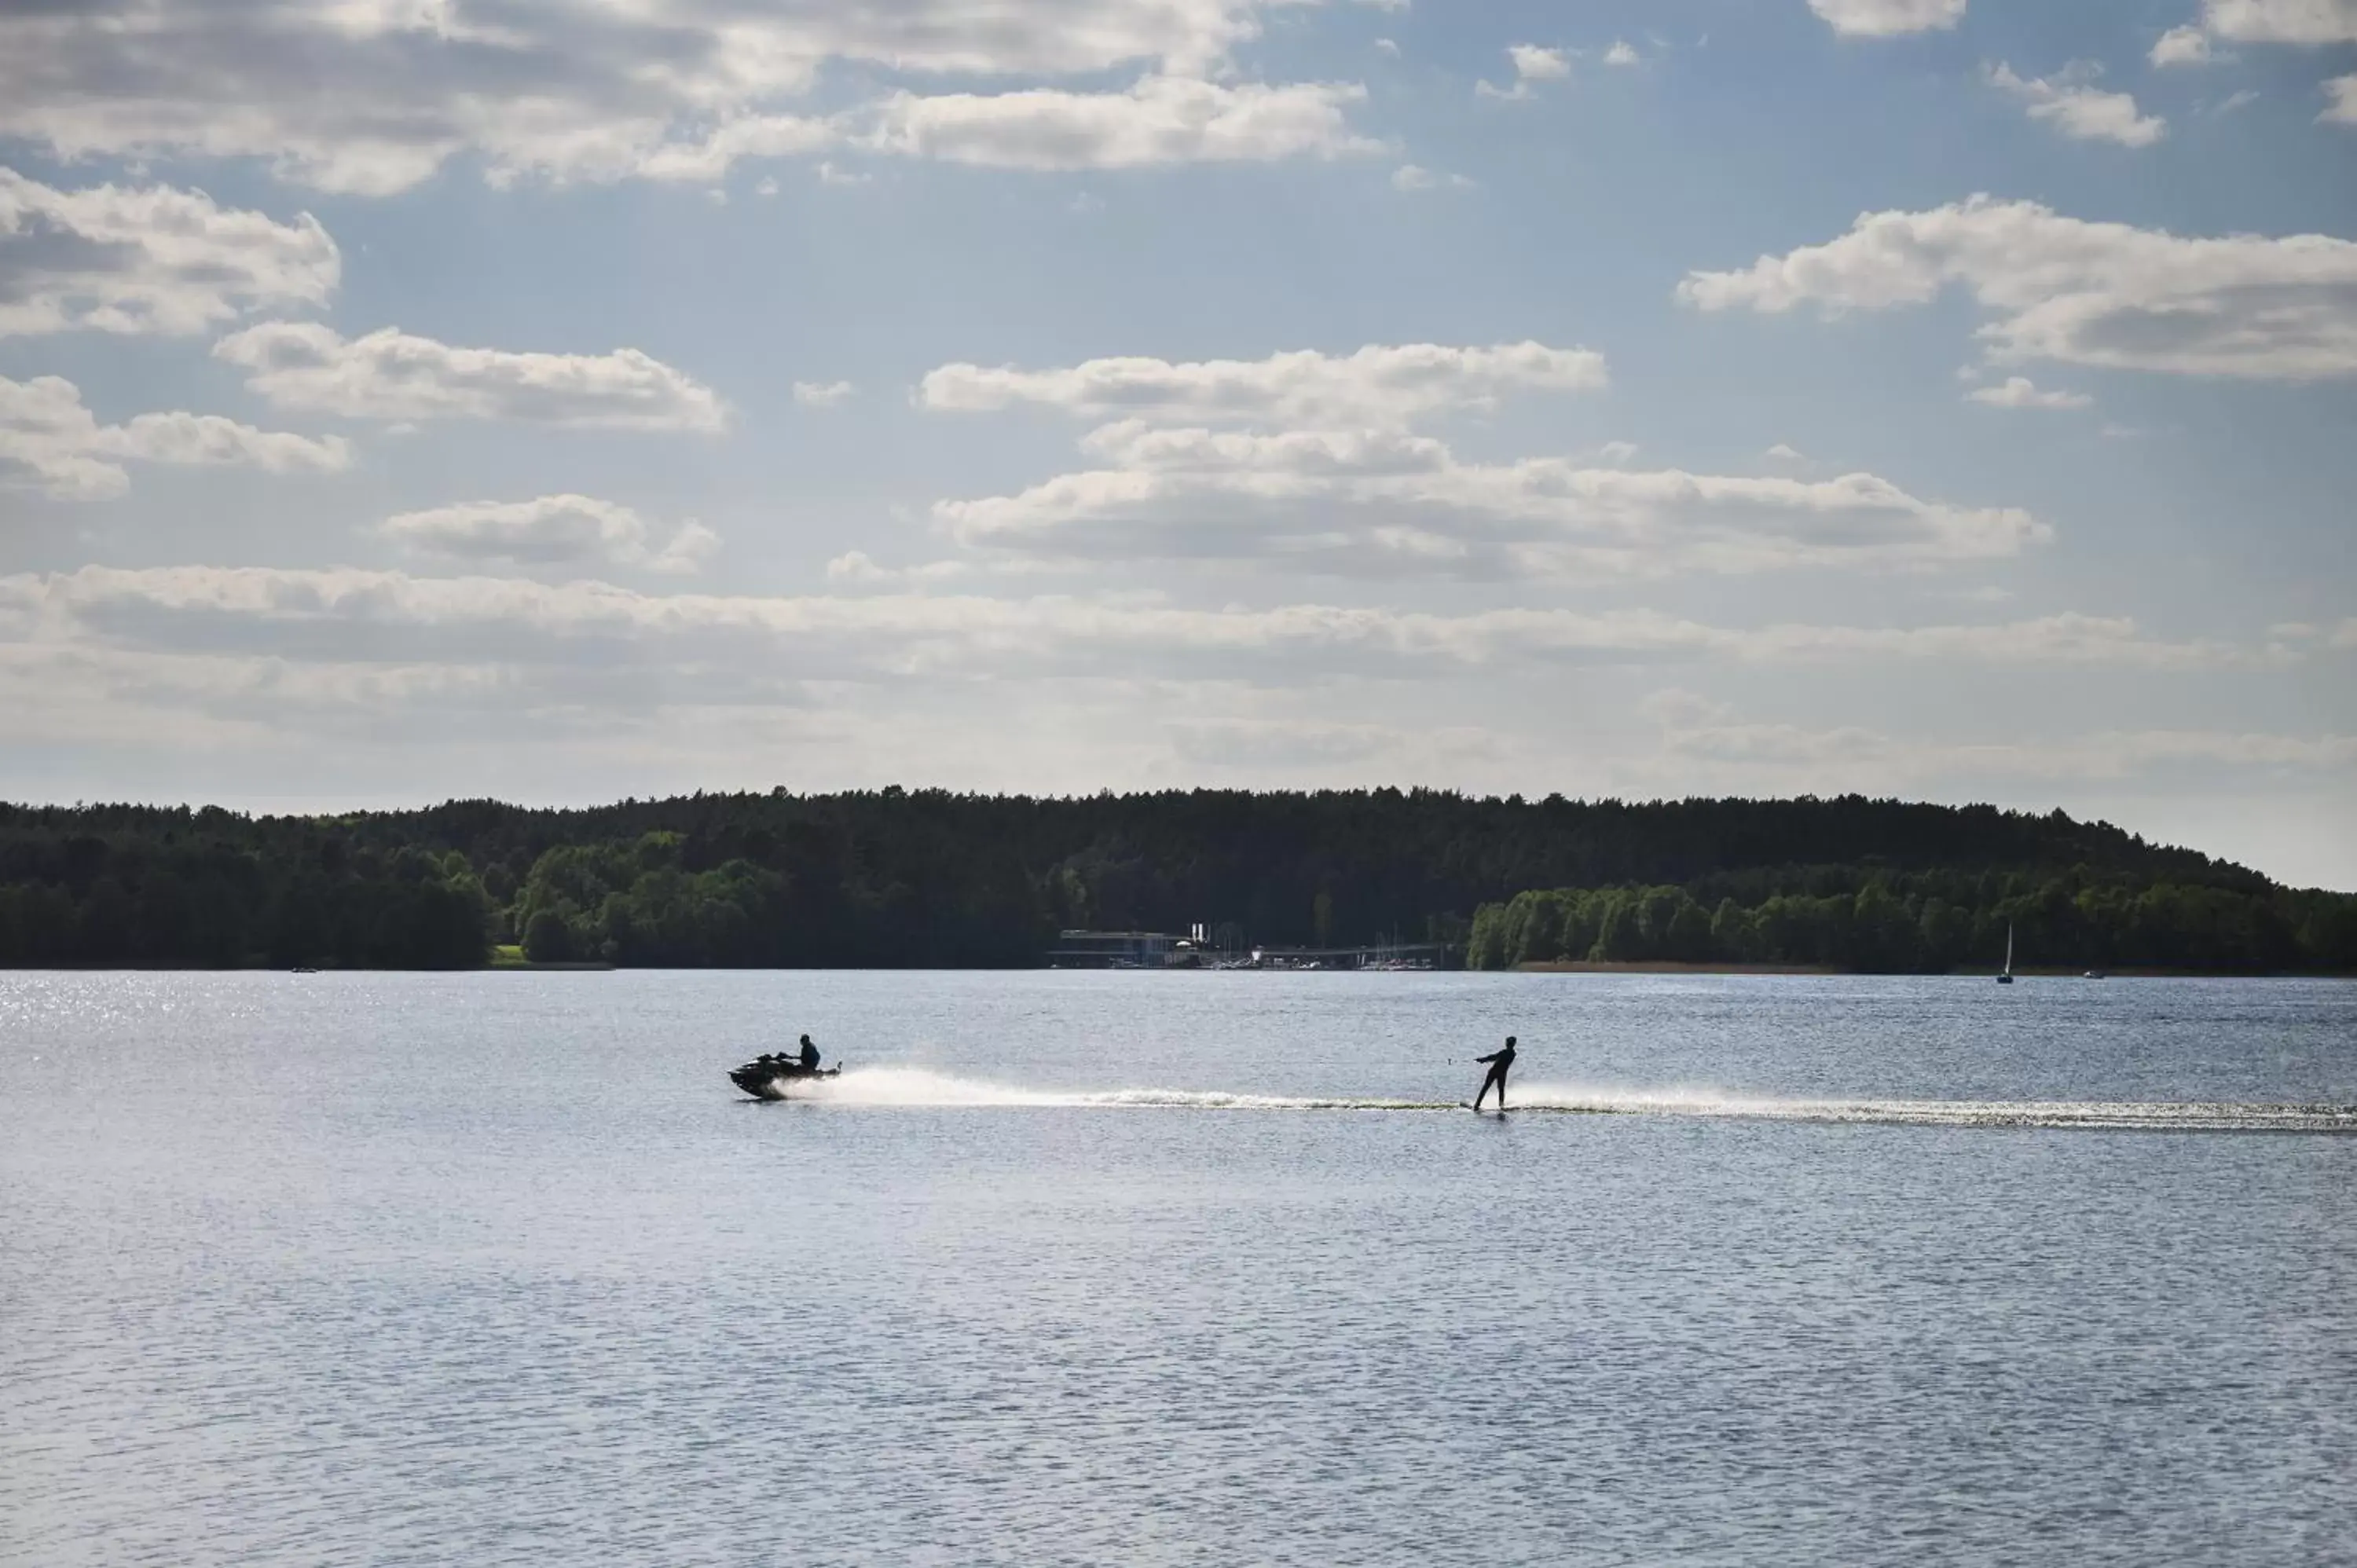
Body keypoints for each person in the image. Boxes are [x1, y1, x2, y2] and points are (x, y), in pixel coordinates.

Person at [1473, 1035, 1517, 1111]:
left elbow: (1494, 1057)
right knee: (1501, 1090)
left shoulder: (1505, 1052)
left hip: (1494, 1072)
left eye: (1507, 1042)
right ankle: (1501, 1106)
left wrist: (1483, 1060)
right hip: (1502, 1073)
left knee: (1486, 1088)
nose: (1506, 1044)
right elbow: (1494, 1057)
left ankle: (1477, 1105)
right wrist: (1484, 1060)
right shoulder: (1513, 1053)